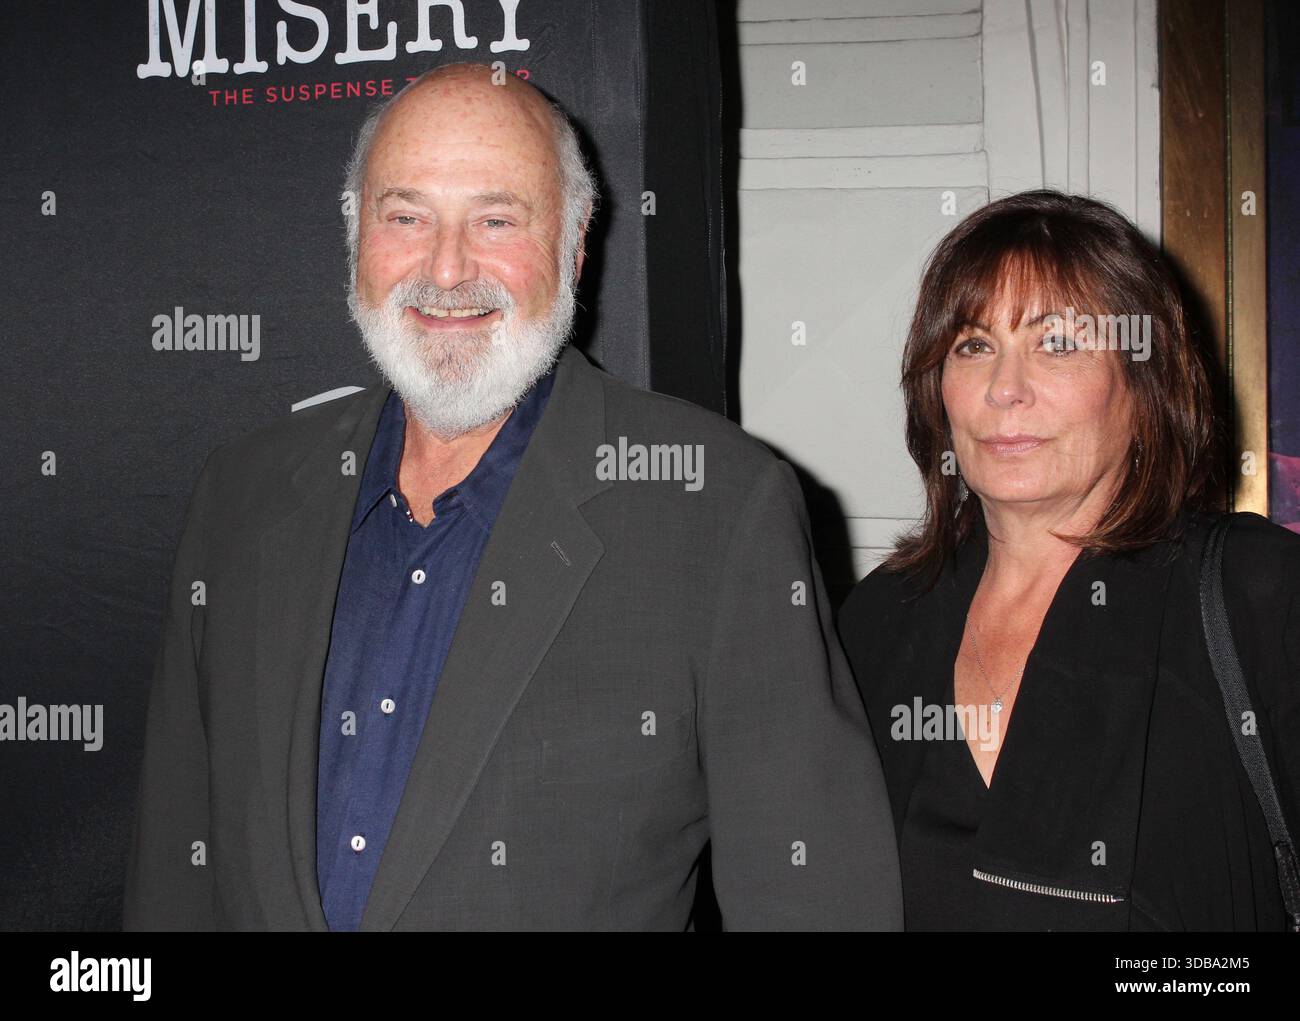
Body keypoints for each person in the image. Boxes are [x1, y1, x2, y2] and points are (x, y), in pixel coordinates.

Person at [122, 63, 902, 931]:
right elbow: (175, 873)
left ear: (573, 246)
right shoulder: (241, 494)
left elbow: (814, 901)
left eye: (495, 219)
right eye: (406, 216)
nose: (446, 268)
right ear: (356, 242)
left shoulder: (718, 506)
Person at [838, 189, 1300, 931]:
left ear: (1144, 384)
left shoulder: (1259, 595)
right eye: (974, 344)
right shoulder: (881, 618)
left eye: (1057, 343)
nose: (1005, 390)